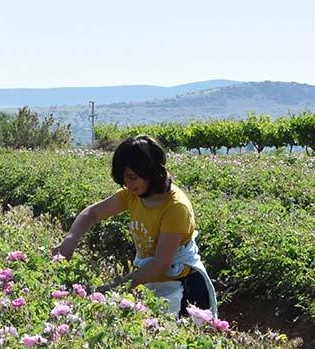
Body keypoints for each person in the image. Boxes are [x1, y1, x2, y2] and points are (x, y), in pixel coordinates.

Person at [53, 135, 216, 317]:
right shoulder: (132, 194)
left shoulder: (175, 207)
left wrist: (115, 288)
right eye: (124, 178)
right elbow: (92, 214)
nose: (127, 184)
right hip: (151, 282)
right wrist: (68, 243)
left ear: (151, 172)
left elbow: (160, 264)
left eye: (132, 177)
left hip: (181, 287)